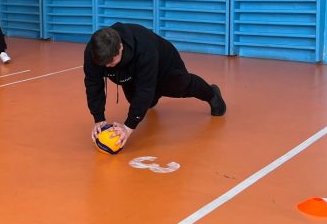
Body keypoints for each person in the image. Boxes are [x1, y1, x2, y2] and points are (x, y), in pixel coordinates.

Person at [84, 23, 226, 151]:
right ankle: (154, 94)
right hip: (133, 73)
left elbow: (145, 88)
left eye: (111, 61)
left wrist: (128, 127)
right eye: (104, 64)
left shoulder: (145, 47)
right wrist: (99, 118)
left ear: (120, 46)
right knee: (141, 100)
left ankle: (212, 94)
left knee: (180, 86)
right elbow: (93, 83)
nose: (107, 66)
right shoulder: (94, 51)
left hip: (165, 64)